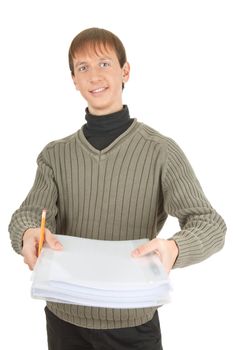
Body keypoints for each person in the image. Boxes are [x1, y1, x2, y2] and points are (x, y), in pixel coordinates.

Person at [9, 27, 226, 350]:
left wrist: (174, 249)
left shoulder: (160, 151)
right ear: (74, 80)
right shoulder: (55, 155)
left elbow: (209, 223)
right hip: (65, 320)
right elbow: (29, 214)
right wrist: (28, 233)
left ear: (125, 71)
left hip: (133, 324)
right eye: (83, 67)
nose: (94, 75)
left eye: (104, 64)